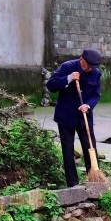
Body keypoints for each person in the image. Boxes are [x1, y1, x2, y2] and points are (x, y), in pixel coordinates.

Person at [46, 48, 102, 187]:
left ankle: (94, 178)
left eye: (92, 67)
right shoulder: (67, 67)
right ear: (81, 60)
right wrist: (69, 78)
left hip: (84, 117)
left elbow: (96, 94)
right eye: (87, 65)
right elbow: (51, 85)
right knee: (68, 150)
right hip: (66, 116)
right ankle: (73, 183)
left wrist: (88, 106)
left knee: (90, 147)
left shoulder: (95, 73)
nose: (89, 69)